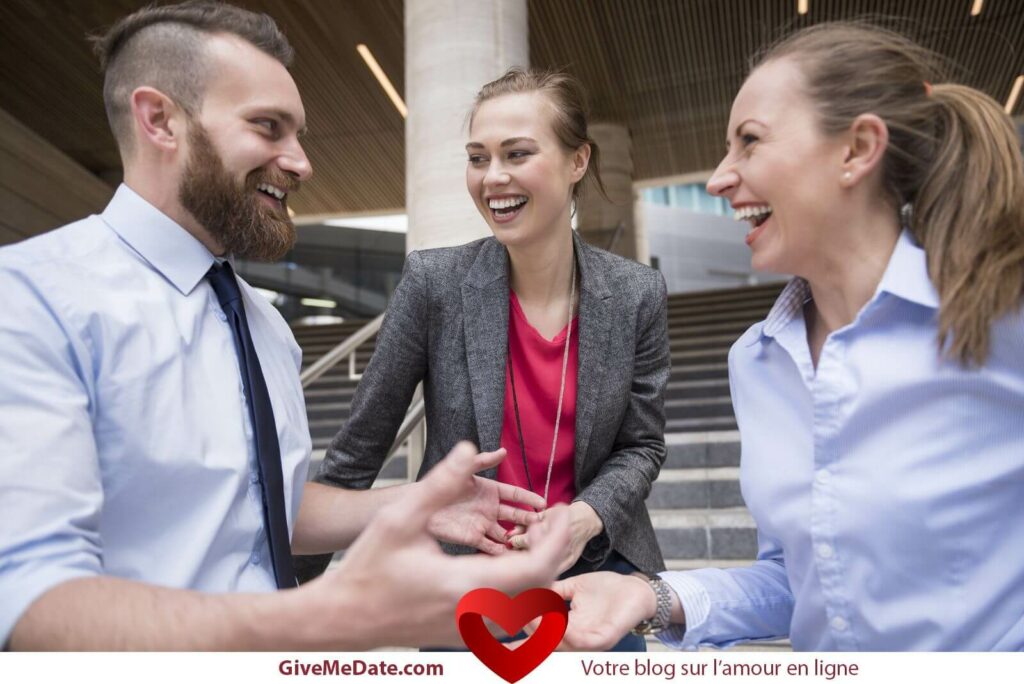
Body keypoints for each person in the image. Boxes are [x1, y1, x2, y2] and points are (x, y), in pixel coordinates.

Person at [0, 1, 570, 651]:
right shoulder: (27, 297)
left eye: (297, 134)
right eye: (268, 128)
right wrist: (327, 617)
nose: (300, 162)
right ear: (159, 120)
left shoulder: (266, 324)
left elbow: (260, 504)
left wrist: (415, 508)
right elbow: (29, 603)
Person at [547, 21, 1024, 651]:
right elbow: (807, 583)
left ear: (857, 149)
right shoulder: (757, 361)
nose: (720, 178)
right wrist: (651, 595)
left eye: (749, 142)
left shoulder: (1003, 321)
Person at [311, 68, 670, 650]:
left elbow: (642, 446)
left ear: (578, 161)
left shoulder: (636, 294)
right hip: (461, 580)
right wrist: (289, 596)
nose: (493, 177)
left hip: (596, 581)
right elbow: (357, 452)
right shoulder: (435, 283)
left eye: (517, 153)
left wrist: (584, 517)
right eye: (478, 158)